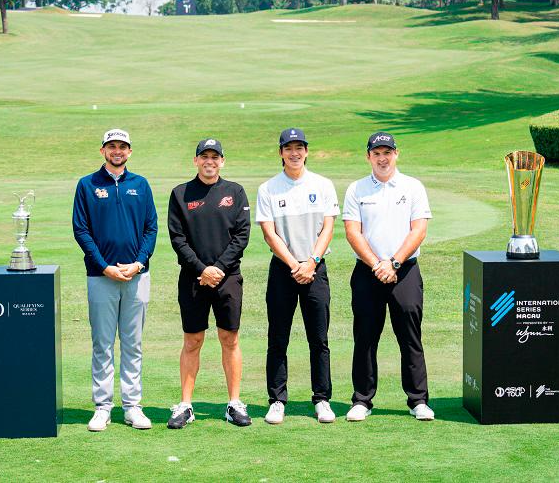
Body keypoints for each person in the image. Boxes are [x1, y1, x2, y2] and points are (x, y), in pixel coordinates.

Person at [341, 131, 435, 422]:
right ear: (368, 156)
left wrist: (393, 263)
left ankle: (418, 400)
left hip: (404, 270)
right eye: (377, 153)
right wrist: (377, 264)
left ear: (397, 154)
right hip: (368, 272)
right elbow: (352, 232)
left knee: (410, 336)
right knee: (366, 337)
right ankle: (362, 400)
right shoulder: (356, 189)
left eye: (388, 152)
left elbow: (418, 230)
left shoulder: (413, 187)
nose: (383, 158)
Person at [72, 129, 158, 432]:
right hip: (101, 277)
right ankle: (102, 407)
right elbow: (81, 230)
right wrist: (105, 266)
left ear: (130, 152)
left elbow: (151, 228)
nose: (117, 151)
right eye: (112, 146)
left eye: (122, 146)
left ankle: (133, 406)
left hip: (137, 276)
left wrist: (138, 262)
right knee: (103, 344)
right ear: (103, 150)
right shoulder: (87, 185)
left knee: (133, 344)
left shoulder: (141, 184)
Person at [166, 138, 252, 428]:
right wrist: (203, 269)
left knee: (230, 339)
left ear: (222, 161)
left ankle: (234, 403)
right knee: (193, 340)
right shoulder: (180, 193)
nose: (210, 162)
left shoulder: (235, 192)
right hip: (193, 278)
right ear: (196, 160)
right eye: (205, 157)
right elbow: (177, 238)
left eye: (215, 157)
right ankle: (186, 405)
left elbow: (242, 235)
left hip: (228, 279)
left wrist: (218, 268)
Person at [256, 128, 339, 425]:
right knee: (278, 337)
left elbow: (328, 228)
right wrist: (295, 264)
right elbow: (269, 233)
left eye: (299, 147)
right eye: (288, 148)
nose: (294, 153)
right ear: (280, 152)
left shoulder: (323, 184)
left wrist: (312, 262)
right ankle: (277, 399)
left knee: (319, 338)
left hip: (316, 268)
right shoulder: (268, 189)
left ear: (306, 151)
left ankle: (322, 399)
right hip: (283, 269)